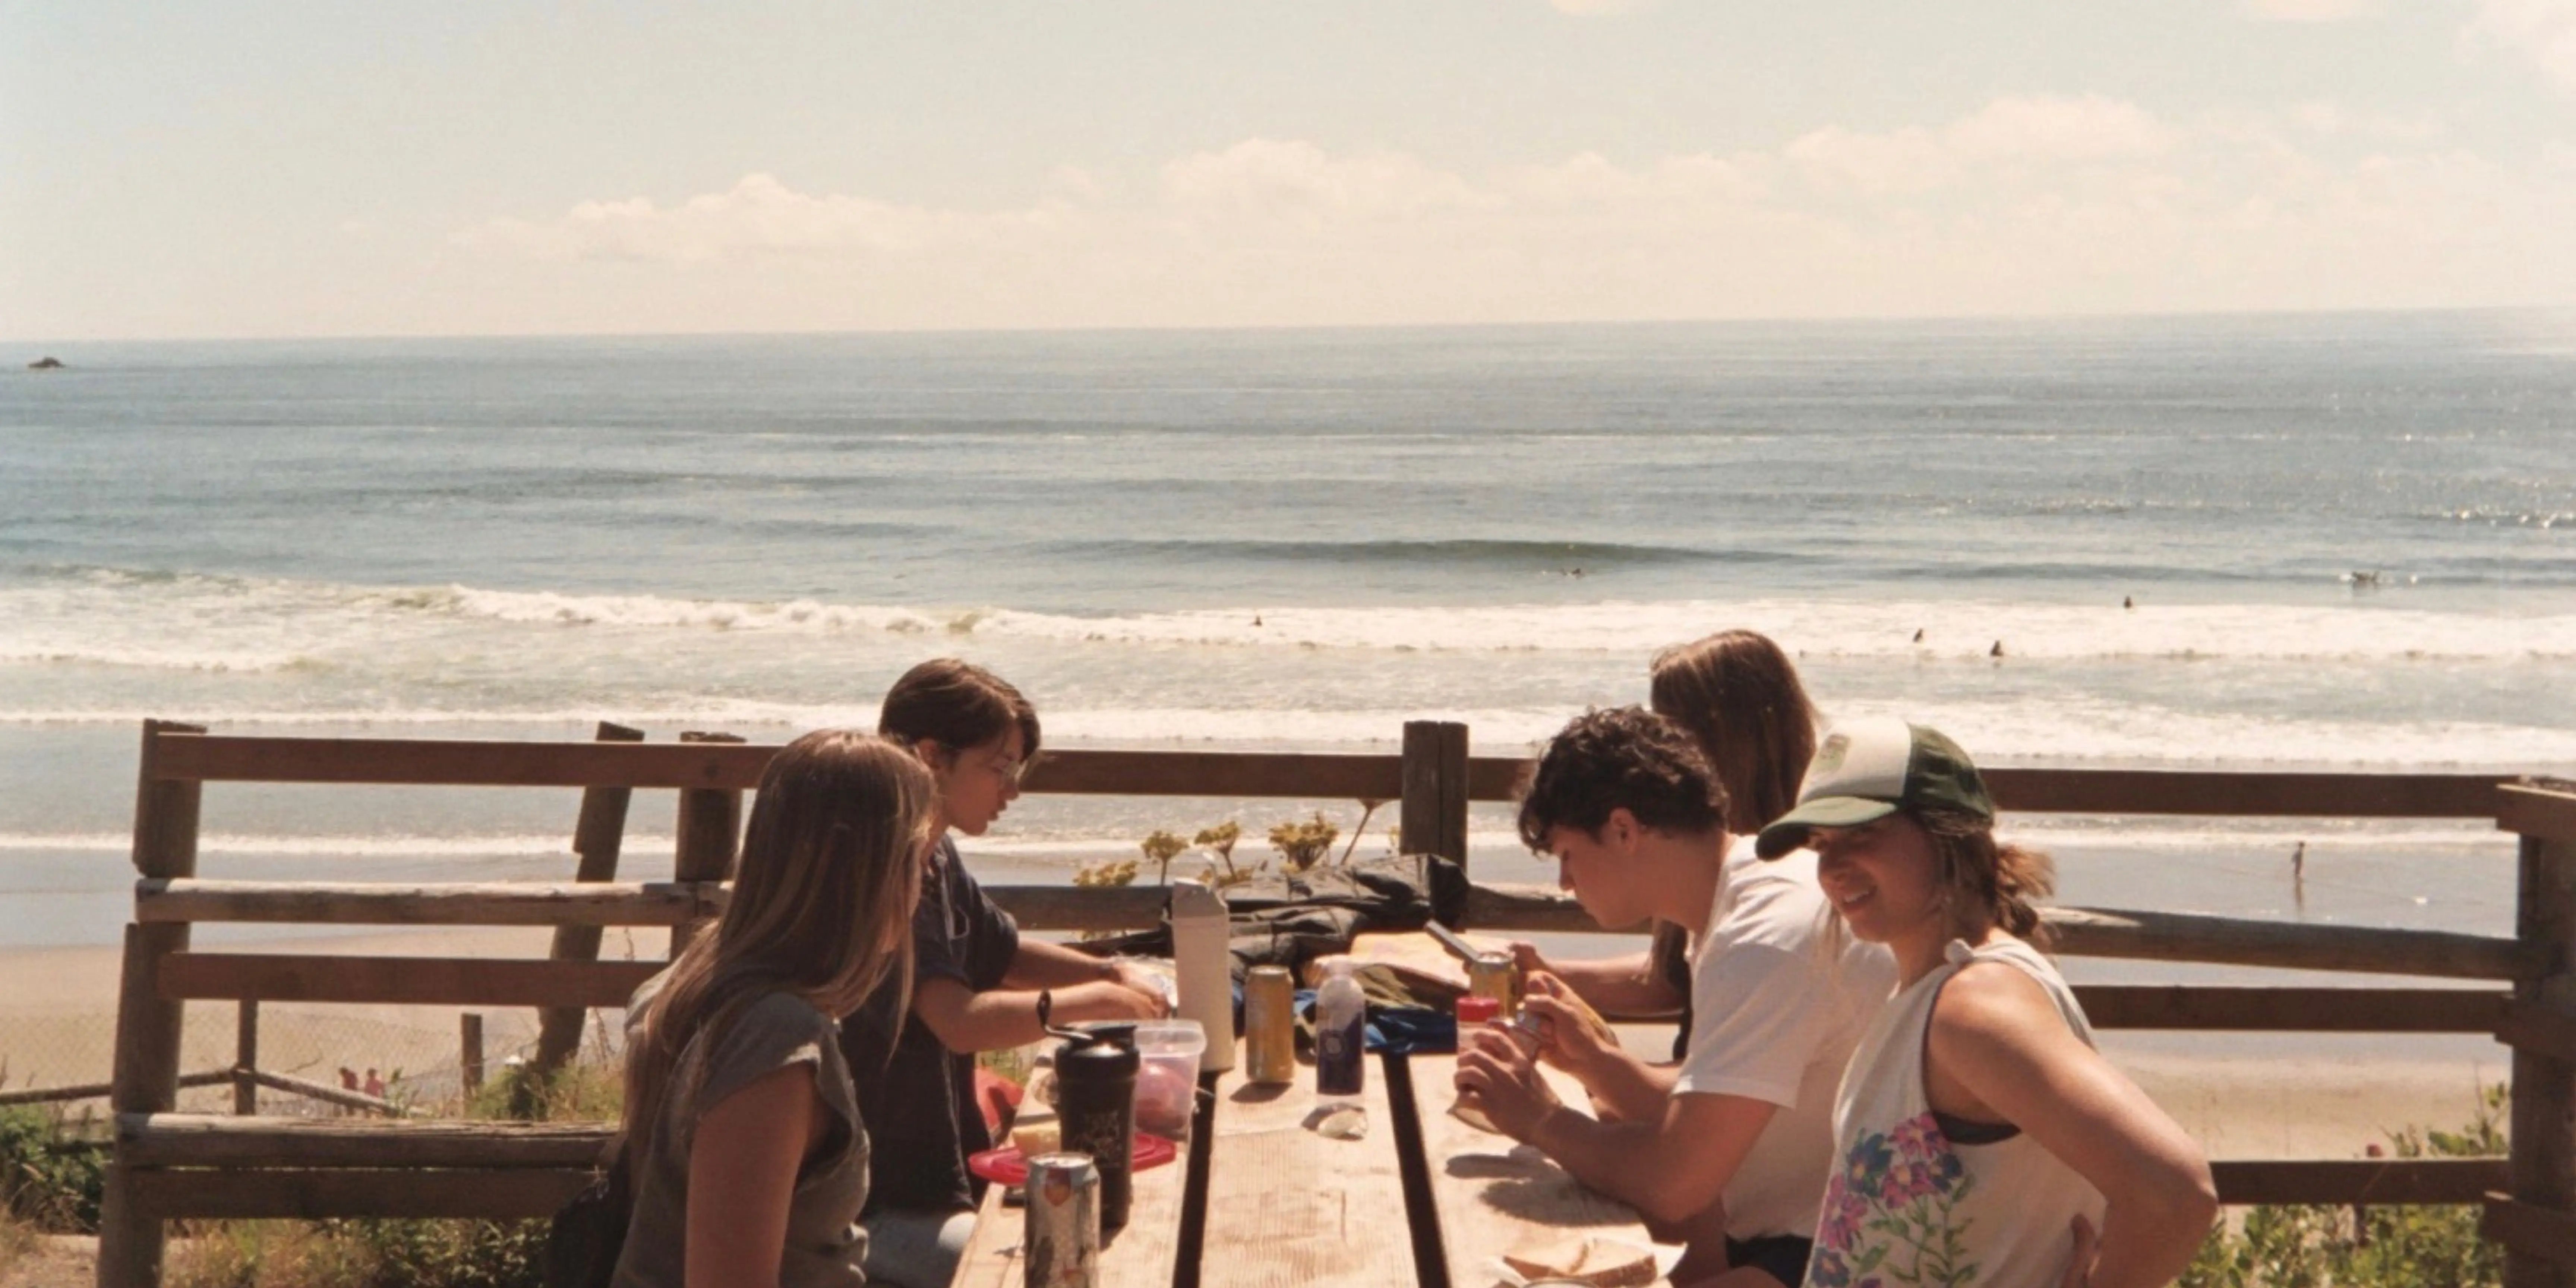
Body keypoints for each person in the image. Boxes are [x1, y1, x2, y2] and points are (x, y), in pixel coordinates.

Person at [1753, 717, 2217, 1288]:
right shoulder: (1936, 990)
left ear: (1949, 833)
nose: (1831, 867)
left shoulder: (1975, 1007)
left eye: (1861, 835)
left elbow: (2176, 1193)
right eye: (1821, 844)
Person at [1456, 707, 1894, 1288]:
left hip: (1852, 1255)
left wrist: (1540, 1119)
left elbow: (1676, 1182)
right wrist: (1594, 1059)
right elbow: (1711, 1111)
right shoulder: (1742, 897)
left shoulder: (1763, 936)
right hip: (1812, 1230)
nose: (1564, 884)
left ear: (1622, 830)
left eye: (1566, 855)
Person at [844, 659, 1170, 1288]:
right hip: (875, 1213)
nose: (1012, 790)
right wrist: (1089, 1000)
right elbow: (958, 1022)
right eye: (1000, 767)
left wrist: (1114, 973)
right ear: (932, 755)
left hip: (939, 1177)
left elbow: (1006, 955)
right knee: (1078, 1262)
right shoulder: (887, 868)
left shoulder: (934, 849)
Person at [614, 729, 938, 1287]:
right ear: (869, 872)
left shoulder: (701, 979)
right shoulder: (775, 1041)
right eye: (918, 860)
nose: (924, 883)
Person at [1512, 629, 1823, 1054]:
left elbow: (1715, 1103)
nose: (1655, 743)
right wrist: (1544, 975)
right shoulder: (1696, 851)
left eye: (1669, 724)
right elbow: (1669, 978)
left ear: (1727, 737)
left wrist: (1592, 1065)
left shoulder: (1782, 878)